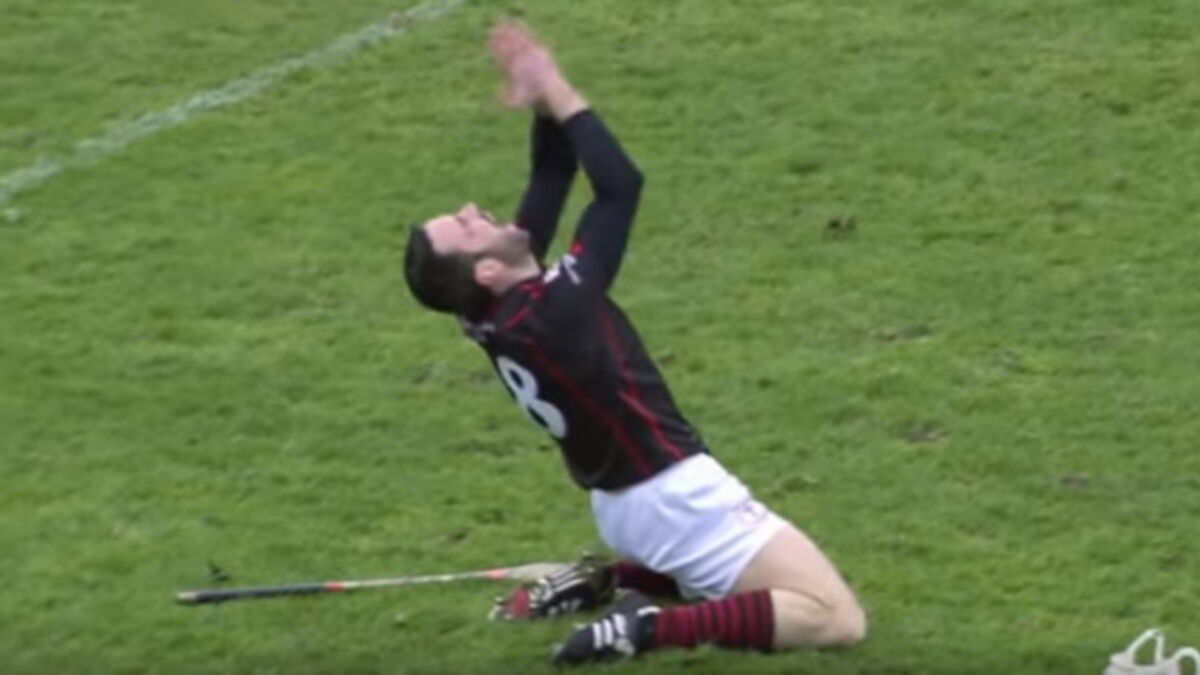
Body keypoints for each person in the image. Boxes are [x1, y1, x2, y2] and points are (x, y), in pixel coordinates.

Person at [403, 20, 866, 666]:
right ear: (485, 269)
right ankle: (647, 626)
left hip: (621, 505)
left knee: (732, 577)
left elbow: (553, 171)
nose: (473, 209)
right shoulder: (556, 311)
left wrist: (538, 95)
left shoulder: (488, 308)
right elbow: (619, 186)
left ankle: (617, 578)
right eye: (466, 225)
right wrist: (557, 88)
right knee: (833, 616)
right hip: (672, 494)